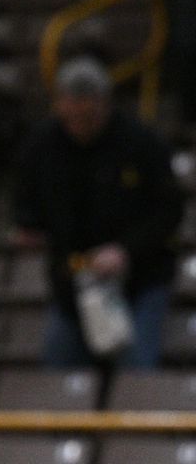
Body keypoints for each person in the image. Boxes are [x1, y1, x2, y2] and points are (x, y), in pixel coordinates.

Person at [12, 56, 183, 369]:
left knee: (135, 376)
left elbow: (169, 211)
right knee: (57, 377)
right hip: (72, 286)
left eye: (88, 115)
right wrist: (29, 228)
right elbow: (24, 203)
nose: (79, 124)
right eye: (71, 115)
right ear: (60, 106)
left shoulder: (141, 143)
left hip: (138, 282)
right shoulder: (43, 145)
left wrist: (124, 251)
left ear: (104, 104)